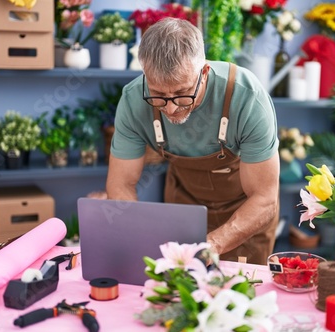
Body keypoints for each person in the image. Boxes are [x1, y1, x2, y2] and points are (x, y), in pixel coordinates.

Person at [104, 17, 280, 265]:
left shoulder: (247, 96)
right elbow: (121, 185)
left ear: (204, 72)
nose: (172, 108)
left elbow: (264, 198)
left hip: (246, 214)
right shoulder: (133, 101)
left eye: (182, 93)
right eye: (158, 95)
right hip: (183, 207)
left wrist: (213, 246)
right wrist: (136, 238)